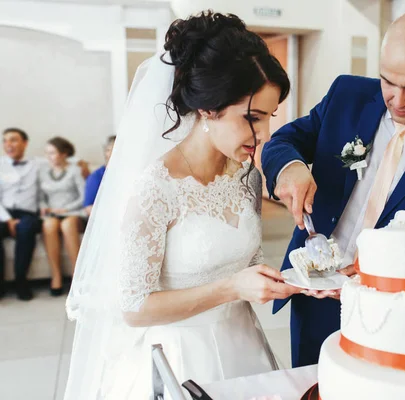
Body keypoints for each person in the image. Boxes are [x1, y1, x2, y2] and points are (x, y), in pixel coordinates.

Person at [63, 12, 300, 399]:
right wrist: (230, 289)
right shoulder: (155, 189)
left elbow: (247, 262)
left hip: (242, 344)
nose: (265, 135)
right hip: (179, 356)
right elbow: (134, 308)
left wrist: (297, 281)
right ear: (208, 108)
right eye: (253, 118)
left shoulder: (246, 177)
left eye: (270, 118)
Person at [261, 9, 405, 368]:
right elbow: (284, 140)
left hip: (394, 313)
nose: (398, 99)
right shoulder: (347, 94)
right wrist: (290, 167)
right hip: (316, 296)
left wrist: (388, 268)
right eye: (388, 81)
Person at [39, 137, 86, 296]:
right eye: (47, 153)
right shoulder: (43, 171)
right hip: (52, 213)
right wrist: (45, 208)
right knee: (48, 225)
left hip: (72, 212)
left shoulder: (75, 170)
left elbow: (83, 197)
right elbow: (40, 197)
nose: (48, 157)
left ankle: (77, 277)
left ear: (64, 154)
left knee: (67, 225)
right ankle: (56, 276)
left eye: (52, 153)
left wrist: (64, 209)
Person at [0, 128, 42, 301]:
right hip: (4, 212)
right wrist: (8, 219)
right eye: (5, 141)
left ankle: (21, 280)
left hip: (28, 213)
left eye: (13, 140)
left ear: (25, 143)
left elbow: (65, 159)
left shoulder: (38, 163)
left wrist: (82, 165)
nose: (8, 144)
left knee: (26, 227)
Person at [83, 135, 116, 216]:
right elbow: (88, 207)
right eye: (108, 150)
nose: (111, 153)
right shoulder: (96, 176)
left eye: (115, 149)